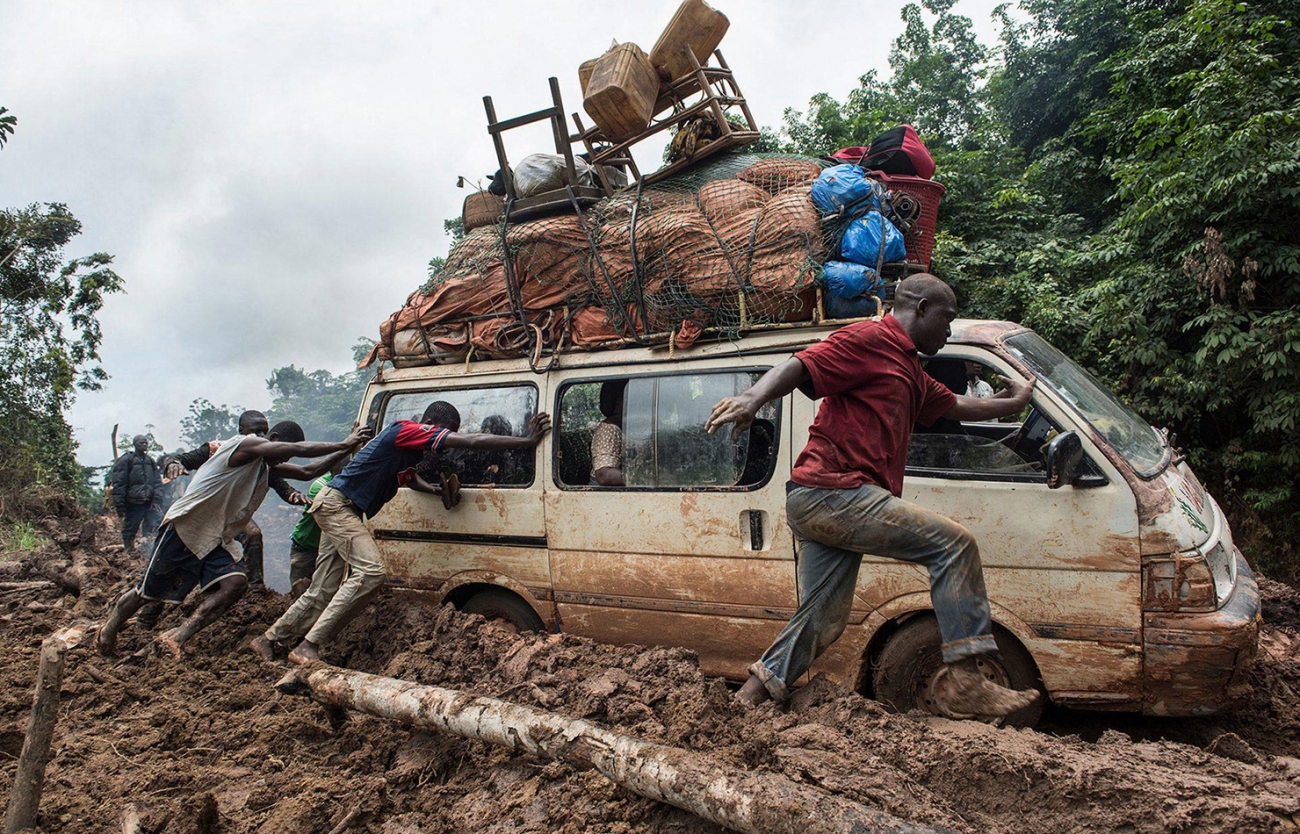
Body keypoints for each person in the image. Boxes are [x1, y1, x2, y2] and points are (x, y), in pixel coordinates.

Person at [704, 274, 1041, 719]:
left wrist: (1010, 404)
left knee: (823, 619)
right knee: (954, 545)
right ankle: (966, 678)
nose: (948, 331)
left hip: (823, 499)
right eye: (947, 319)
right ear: (920, 308)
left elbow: (956, 405)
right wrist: (751, 397)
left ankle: (746, 702)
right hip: (834, 492)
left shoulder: (907, 368)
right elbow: (801, 364)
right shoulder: (870, 337)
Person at [250, 401, 551, 665]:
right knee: (370, 573)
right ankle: (308, 645)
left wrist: (436, 490)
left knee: (322, 590)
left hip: (339, 506)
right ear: (432, 425)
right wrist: (524, 441)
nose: (445, 442)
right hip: (338, 505)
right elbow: (471, 441)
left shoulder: (410, 450)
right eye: (445, 433)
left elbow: (409, 479)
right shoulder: (406, 430)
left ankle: (269, 639)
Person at [96, 412, 369, 660]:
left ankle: (176, 637)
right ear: (270, 439)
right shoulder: (244, 444)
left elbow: (309, 471)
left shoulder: (264, 466)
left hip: (217, 536)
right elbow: (297, 450)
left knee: (235, 584)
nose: (283, 459)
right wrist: (344, 444)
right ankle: (108, 631)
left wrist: (347, 448)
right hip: (187, 528)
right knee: (147, 593)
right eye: (276, 447)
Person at [111, 435, 160, 552]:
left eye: (146, 443)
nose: (144, 445)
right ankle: (129, 551)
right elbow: (119, 483)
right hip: (133, 502)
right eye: (141, 443)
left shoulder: (150, 461)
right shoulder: (126, 460)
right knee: (130, 527)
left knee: (153, 525)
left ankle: (148, 549)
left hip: (149, 502)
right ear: (134, 444)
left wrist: (157, 499)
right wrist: (120, 505)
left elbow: (158, 482)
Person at [590, 380, 626, 486]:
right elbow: (603, 475)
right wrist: (642, 479)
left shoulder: (625, 426)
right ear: (621, 401)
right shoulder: (610, 429)